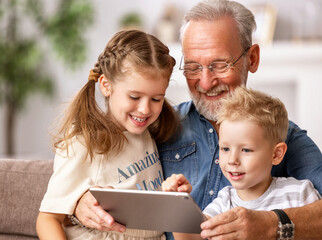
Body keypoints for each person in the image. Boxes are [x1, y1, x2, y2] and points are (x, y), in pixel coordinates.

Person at [73, 0, 322, 239]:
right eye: (193, 67)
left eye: (220, 64)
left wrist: (271, 225)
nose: (205, 82)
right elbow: (97, 171)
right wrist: (78, 205)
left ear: (252, 59)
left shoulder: (282, 136)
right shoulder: (156, 123)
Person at [36, 29, 179, 240]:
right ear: (106, 86)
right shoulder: (83, 145)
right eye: (134, 96)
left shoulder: (147, 133)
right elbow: (48, 219)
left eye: (156, 99)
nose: (145, 109)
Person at [161, 86, 321, 240]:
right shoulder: (224, 201)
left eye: (246, 150)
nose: (232, 160)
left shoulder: (299, 193)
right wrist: (178, 204)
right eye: (225, 149)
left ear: (276, 154)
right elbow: (193, 238)